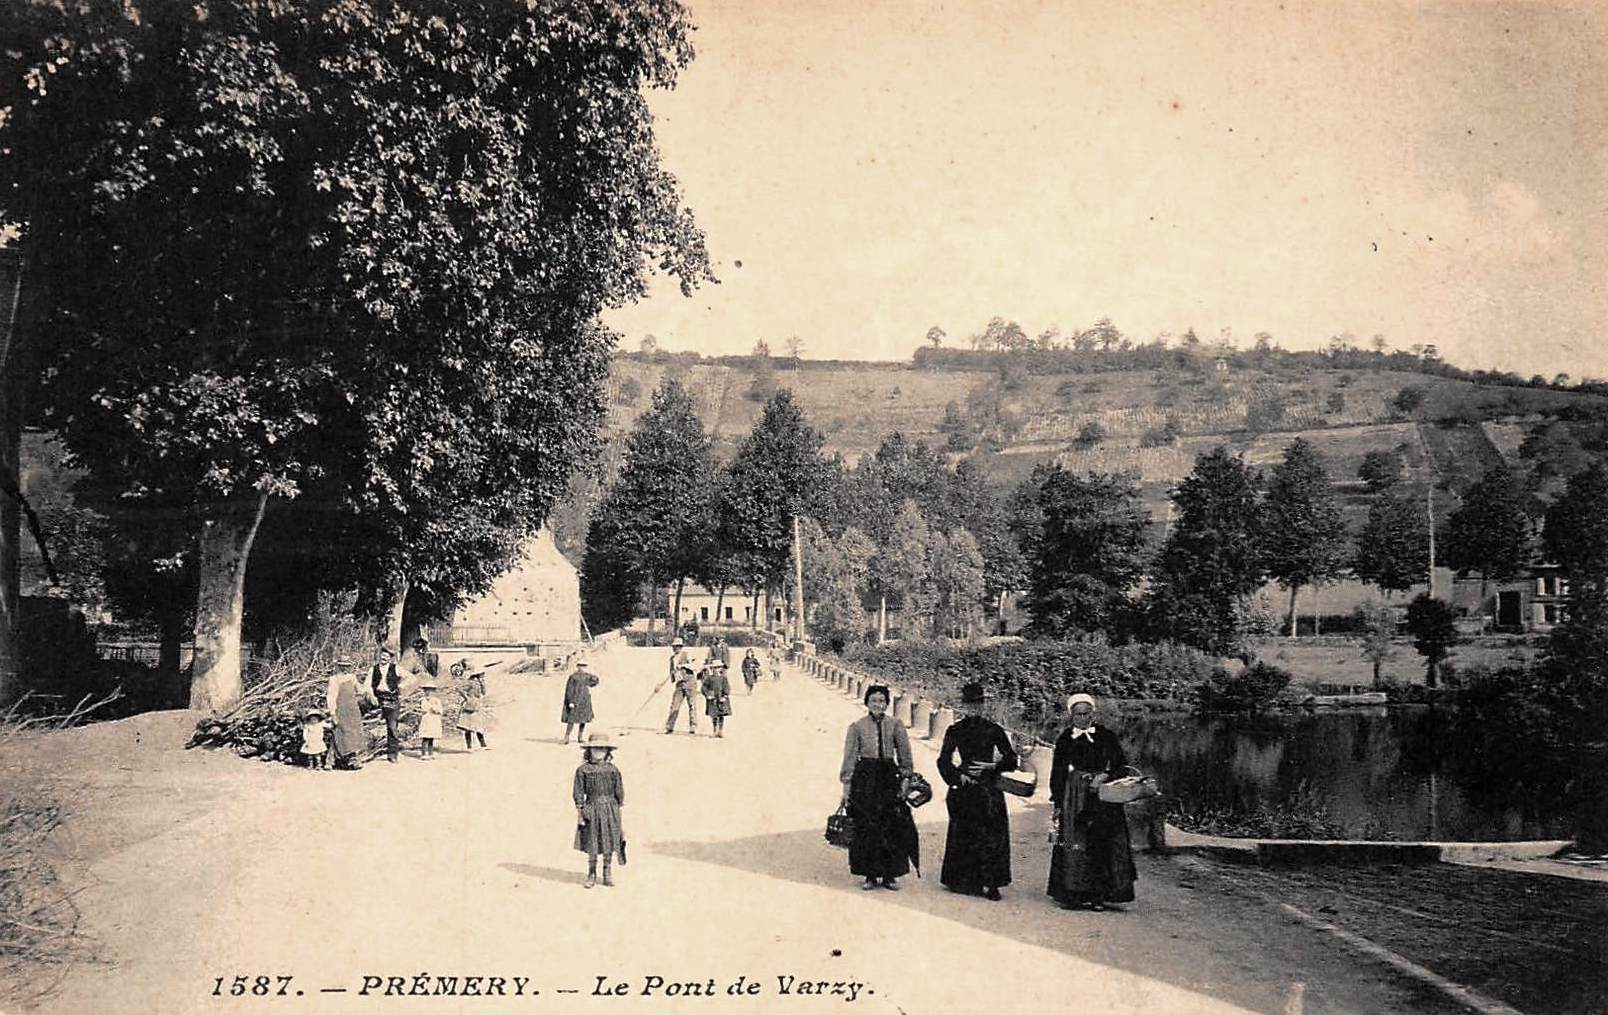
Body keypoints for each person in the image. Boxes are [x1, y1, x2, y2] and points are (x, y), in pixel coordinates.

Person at [1047, 693, 1137, 911]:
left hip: (1102, 795)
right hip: (1075, 795)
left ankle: (1099, 895)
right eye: (1078, 715)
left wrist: (1104, 776)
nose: (1083, 718)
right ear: (1071, 715)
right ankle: (1074, 894)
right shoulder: (1065, 738)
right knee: (1076, 842)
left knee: (1102, 842)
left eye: (1087, 714)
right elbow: (1058, 772)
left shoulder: (1106, 736)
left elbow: (1121, 765)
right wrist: (1058, 801)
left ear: (1093, 713)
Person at [936, 682, 1018, 901]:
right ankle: (965, 880)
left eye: (978, 705)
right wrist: (957, 776)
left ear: (983, 706)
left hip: (989, 788)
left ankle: (991, 883)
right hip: (965, 788)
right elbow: (943, 760)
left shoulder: (994, 730)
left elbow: (1011, 759)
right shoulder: (955, 730)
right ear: (964, 706)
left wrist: (993, 766)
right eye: (970, 705)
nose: (975, 709)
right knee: (964, 832)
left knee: (992, 835)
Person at [839, 684, 918, 891]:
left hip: (888, 778)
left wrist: (906, 779)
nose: (878, 704)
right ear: (867, 703)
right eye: (874, 700)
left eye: (882, 701)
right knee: (866, 826)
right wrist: (846, 787)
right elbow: (849, 759)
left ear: (887, 704)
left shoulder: (896, 725)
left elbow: (905, 755)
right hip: (864, 779)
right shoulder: (856, 726)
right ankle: (870, 875)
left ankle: (891, 875)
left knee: (892, 825)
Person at [573, 732, 626, 889]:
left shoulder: (613, 770)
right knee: (593, 841)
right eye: (595, 749)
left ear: (607, 751)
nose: (599, 752)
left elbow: (619, 791)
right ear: (589, 751)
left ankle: (607, 872)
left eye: (602, 749)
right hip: (592, 807)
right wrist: (580, 810)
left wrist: (617, 807)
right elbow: (578, 791)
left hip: (610, 808)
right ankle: (591, 873)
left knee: (609, 840)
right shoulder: (583, 770)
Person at [325, 656, 370, 769]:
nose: (345, 668)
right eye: (342, 666)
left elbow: (360, 691)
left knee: (353, 734)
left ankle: (353, 760)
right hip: (340, 710)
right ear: (338, 666)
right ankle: (330, 761)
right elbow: (331, 697)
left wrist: (369, 683)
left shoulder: (352, 677)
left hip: (353, 710)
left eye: (347, 666)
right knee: (339, 733)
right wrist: (332, 713)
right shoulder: (334, 679)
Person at [371, 647, 404, 763]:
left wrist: (401, 687)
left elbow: (411, 678)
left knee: (392, 727)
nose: (383, 658)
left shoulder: (396, 668)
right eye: (382, 656)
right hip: (378, 698)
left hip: (392, 699)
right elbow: (367, 685)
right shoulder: (373, 669)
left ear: (390, 658)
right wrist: (372, 696)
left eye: (386, 657)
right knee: (370, 724)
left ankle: (392, 754)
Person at [663, 643, 701, 735]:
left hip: (690, 683)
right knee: (674, 705)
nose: (675, 648)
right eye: (674, 647)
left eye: (677, 646)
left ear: (681, 647)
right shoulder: (672, 658)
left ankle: (693, 727)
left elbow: (695, 667)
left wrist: (684, 665)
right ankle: (669, 727)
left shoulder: (687, 654)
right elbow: (671, 672)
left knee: (692, 705)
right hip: (679, 684)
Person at [563, 659, 599, 744]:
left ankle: (580, 737)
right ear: (577, 666)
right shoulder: (573, 677)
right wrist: (570, 701)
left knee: (583, 720)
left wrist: (594, 679)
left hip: (584, 700)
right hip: (575, 700)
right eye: (581, 666)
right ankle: (566, 737)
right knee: (571, 719)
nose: (582, 668)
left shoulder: (587, 676)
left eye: (584, 666)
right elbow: (569, 689)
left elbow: (593, 683)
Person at [458, 669, 491, 750]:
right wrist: (467, 698)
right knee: (468, 726)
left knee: (479, 725)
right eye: (482, 673)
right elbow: (460, 689)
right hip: (470, 705)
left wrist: (483, 684)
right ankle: (469, 746)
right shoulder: (470, 682)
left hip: (477, 705)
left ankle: (483, 745)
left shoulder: (480, 682)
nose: (483, 674)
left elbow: (484, 693)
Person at [701, 659, 732, 737]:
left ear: (721, 668)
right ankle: (715, 730)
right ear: (712, 669)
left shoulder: (723, 678)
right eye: (715, 668)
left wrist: (725, 696)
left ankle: (720, 731)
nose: (716, 670)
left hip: (721, 699)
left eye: (718, 668)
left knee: (721, 715)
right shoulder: (709, 678)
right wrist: (707, 694)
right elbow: (704, 687)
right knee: (714, 715)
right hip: (712, 699)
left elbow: (727, 688)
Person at [416, 677, 443, 760]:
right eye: (427, 690)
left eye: (430, 690)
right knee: (426, 737)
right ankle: (424, 753)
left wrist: (435, 708)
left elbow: (440, 710)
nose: (428, 692)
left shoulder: (437, 700)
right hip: (427, 719)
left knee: (431, 737)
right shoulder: (423, 700)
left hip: (434, 719)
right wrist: (430, 705)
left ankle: (431, 753)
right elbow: (424, 709)